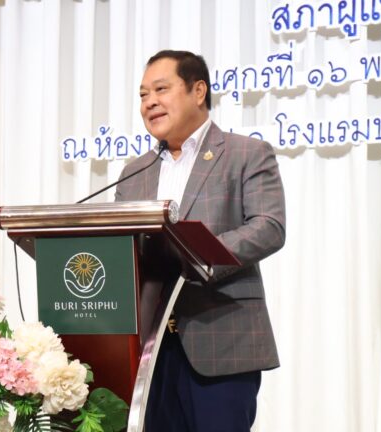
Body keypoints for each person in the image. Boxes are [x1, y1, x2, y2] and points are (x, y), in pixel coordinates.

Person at [115, 50, 286, 432]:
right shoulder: (133, 172)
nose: (149, 102)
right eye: (143, 95)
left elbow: (268, 226)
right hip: (151, 353)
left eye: (161, 89)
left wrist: (197, 256)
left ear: (198, 91)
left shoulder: (246, 154)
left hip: (221, 342)